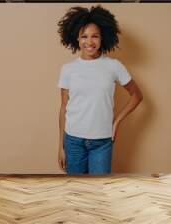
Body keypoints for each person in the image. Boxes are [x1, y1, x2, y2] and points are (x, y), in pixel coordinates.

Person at [57, 5, 143, 175]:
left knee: (99, 192)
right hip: (73, 140)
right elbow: (63, 107)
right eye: (84, 36)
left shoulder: (114, 66)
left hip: (102, 141)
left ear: (103, 38)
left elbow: (137, 95)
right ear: (76, 38)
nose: (89, 42)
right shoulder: (68, 69)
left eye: (94, 36)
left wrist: (117, 121)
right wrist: (61, 145)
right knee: (76, 193)